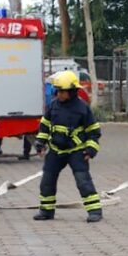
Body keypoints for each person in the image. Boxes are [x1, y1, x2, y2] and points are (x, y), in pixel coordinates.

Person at [34, 70, 102, 223]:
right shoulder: (53, 106)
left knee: (82, 180)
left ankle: (95, 211)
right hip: (56, 150)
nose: (59, 94)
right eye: (57, 91)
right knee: (47, 181)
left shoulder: (82, 108)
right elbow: (44, 126)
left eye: (62, 92)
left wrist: (91, 150)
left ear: (72, 91)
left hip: (76, 151)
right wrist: (40, 143)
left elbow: (94, 131)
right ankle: (46, 210)